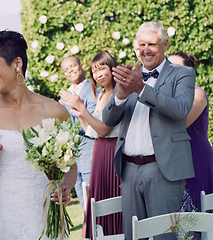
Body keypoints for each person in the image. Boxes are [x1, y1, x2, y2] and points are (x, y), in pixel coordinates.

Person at [0, 30, 77, 240]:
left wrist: (66, 186)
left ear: (17, 63)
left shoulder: (55, 111)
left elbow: (71, 166)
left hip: (44, 219)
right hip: (1, 221)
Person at [103, 22, 195, 239]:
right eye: (142, 44)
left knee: (164, 235)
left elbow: (180, 109)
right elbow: (108, 119)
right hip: (129, 170)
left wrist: (141, 89)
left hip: (162, 168)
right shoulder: (129, 75)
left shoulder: (183, 73)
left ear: (165, 44)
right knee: (134, 236)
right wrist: (121, 95)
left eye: (152, 44)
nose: (146, 49)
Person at [60, 51, 123, 238]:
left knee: (107, 204)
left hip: (102, 152)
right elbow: (90, 127)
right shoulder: (102, 93)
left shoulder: (101, 92)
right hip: (87, 154)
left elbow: (103, 130)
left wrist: (80, 108)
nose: (98, 74)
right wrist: (79, 115)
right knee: (91, 206)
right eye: (95, 70)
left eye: (102, 68)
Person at [168, 52, 213, 212]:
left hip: (197, 160)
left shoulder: (197, 93)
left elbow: (179, 123)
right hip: (174, 165)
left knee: (201, 217)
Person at [60, 55, 98, 211]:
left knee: (95, 205)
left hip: (91, 156)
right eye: (66, 70)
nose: (70, 71)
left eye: (73, 66)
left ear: (81, 65)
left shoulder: (94, 91)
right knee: (84, 208)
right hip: (73, 161)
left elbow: (95, 127)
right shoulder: (65, 95)